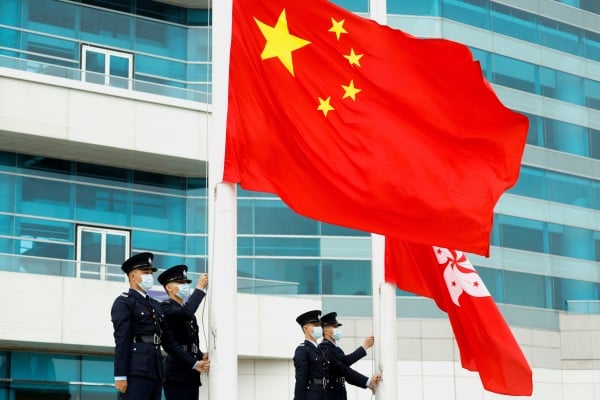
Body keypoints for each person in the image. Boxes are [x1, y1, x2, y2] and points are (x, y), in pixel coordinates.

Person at [110, 252, 206, 400]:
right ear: (132, 276)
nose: (149, 276)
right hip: (136, 370)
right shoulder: (124, 302)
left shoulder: (155, 305)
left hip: (155, 371)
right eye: (145, 272)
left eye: (150, 272)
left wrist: (194, 363)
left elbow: (169, 341)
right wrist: (120, 375)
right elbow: (122, 339)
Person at [158, 265, 209, 400]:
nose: (185, 286)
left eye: (186, 283)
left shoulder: (185, 311)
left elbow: (188, 340)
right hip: (177, 373)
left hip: (191, 374)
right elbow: (185, 313)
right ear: (169, 287)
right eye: (181, 283)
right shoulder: (166, 307)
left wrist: (200, 355)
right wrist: (199, 288)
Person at [318, 312, 380, 399]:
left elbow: (346, 362)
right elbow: (342, 369)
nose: (338, 329)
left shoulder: (336, 349)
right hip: (330, 394)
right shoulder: (323, 349)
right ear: (326, 330)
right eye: (335, 327)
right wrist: (368, 382)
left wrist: (365, 347)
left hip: (339, 393)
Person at [293, 309, 328, 400]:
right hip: (312, 395)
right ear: (306, 328)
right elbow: (301, 380)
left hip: (324, 393)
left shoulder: (321, 350)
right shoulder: (302, 350)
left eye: (320, 325)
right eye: (316, 325)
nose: (319, 328)